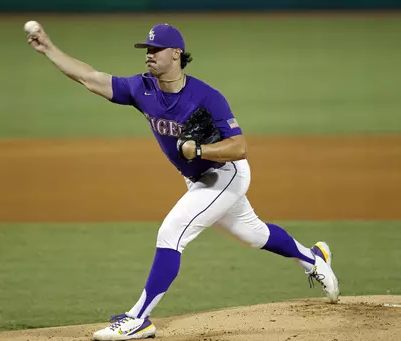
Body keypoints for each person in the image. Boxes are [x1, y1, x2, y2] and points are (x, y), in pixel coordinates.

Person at [26, 22, 340, 341]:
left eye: (154, 50)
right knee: (253, 234)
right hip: (197, 180)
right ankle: (312, 257)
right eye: (146, 50)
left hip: (226, 174)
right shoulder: (142, 88)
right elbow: (90, 77)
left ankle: (139, 318)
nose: (148, 55)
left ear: (176, 54)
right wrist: (49, 49)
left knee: (172, 232)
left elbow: (240, 147)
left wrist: (200, 148)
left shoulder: (206, 97)